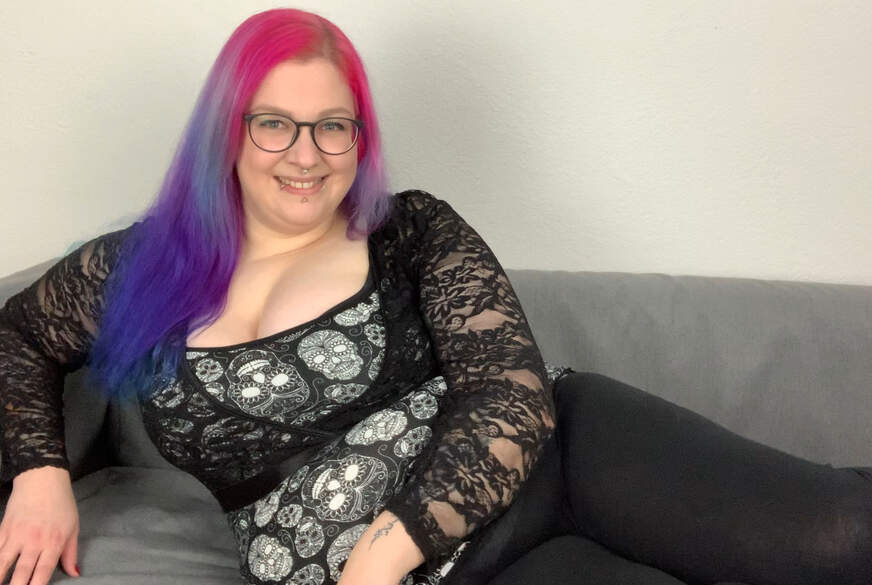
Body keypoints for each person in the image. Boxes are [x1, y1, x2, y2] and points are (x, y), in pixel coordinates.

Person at [0, 8, 869, 585]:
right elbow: (18, 335)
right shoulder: (141, 266)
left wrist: (381, 557)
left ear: (359, 137)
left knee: (838, 533)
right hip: (477, 572)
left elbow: (510, 397)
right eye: (273, 123)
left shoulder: (410, 231)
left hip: (558, 467)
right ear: (227, 133)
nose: (305, 154)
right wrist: (40, 475)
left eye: (332, 126)